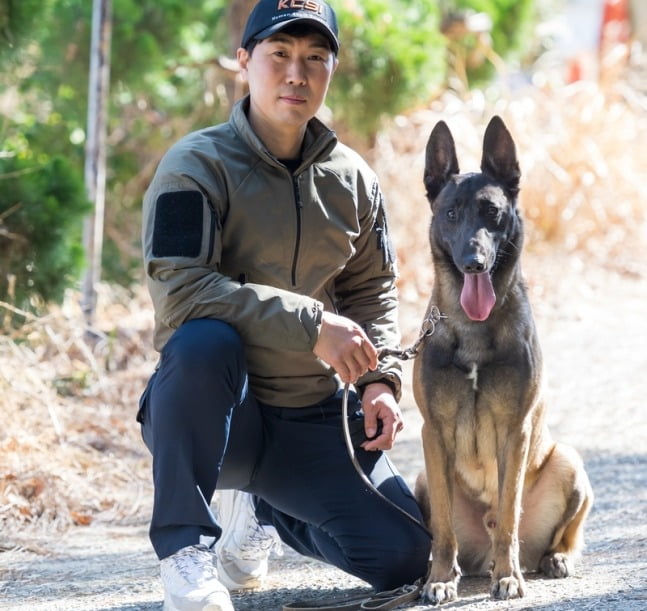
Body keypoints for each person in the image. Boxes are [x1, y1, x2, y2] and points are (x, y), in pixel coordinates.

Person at [138, 1, 431, 609]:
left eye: (314, 58)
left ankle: (263, 510)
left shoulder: (353, 179)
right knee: (201, 341)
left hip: (311, 418)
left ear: (330, 70)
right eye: (279, 55)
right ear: (244, 61)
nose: (296, 74)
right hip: (224, 413)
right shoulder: (195, 165)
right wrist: (310, 324)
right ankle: (185, 554)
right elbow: (180, 289)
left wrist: (380, 381)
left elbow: (373, 289)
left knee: (409, 556)